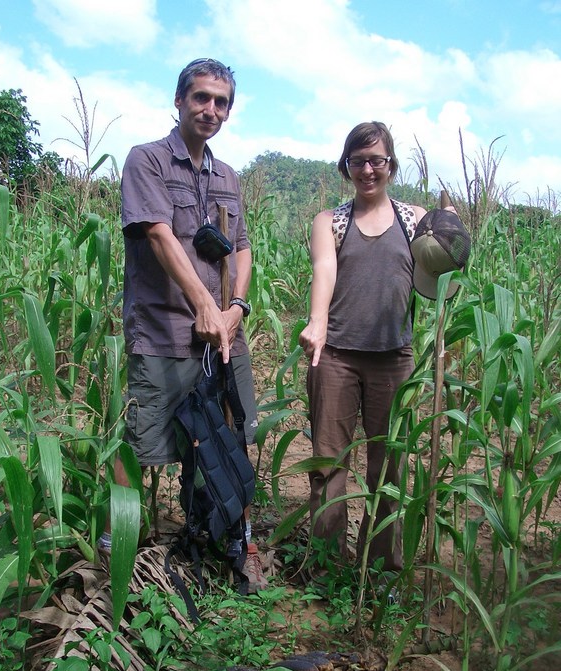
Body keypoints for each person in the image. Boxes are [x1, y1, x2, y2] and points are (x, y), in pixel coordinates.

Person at [116, 57, 267, 591]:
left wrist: (234, 309)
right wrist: (204, 305)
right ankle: (122, 553)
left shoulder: (227, 176)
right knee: (146, 446)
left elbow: (242, 247)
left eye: (221, 102)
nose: (211, 109)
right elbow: (158, 235)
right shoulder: (147, 161)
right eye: (201, 97)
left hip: (224, 337)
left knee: (226, 438)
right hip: (164, 333)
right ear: (179, 100)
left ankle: (221, 535)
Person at [299, 121, 430, 573]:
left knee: (389, 469)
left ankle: (381, 569)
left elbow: (440, 277)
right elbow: (324, 271)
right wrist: (317, 323)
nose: (368, 169)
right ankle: (326, 565)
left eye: (377, 160)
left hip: (394, 360)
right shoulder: (330, 222)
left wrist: (451, 235)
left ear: (391, 165)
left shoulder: (415, 220)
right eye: (358, 161)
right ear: (346, 166)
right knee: (329, 465)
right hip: (334, 356)